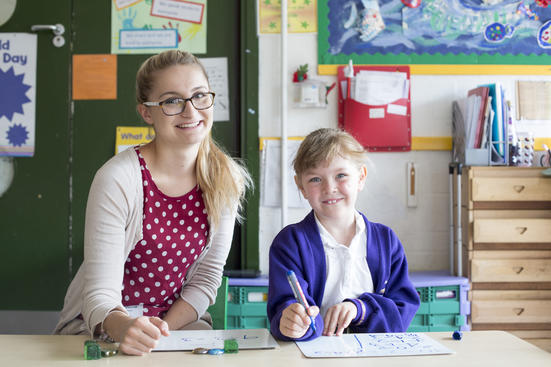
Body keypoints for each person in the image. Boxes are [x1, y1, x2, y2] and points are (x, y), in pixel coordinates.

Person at [54, 50, 252, 355]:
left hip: (177, 325)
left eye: (199, 95)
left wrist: (161, 332)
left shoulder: (227, 178)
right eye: (172, 101)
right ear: (147, 113)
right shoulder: (117, 178)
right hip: (103, 324)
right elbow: (99, 294)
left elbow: (207, 279)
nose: (191, 111)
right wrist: (127, 328)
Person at [267, 128, 419, 341]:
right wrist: (293, 321)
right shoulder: (290, 243)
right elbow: (284, 305)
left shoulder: (386, 241)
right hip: (311, 355)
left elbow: (402, 309)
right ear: (300, 186)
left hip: (376, 356)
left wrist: (360, 309)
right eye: (315, 180)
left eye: (341, 176)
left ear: (361, 177)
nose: (330, 188)